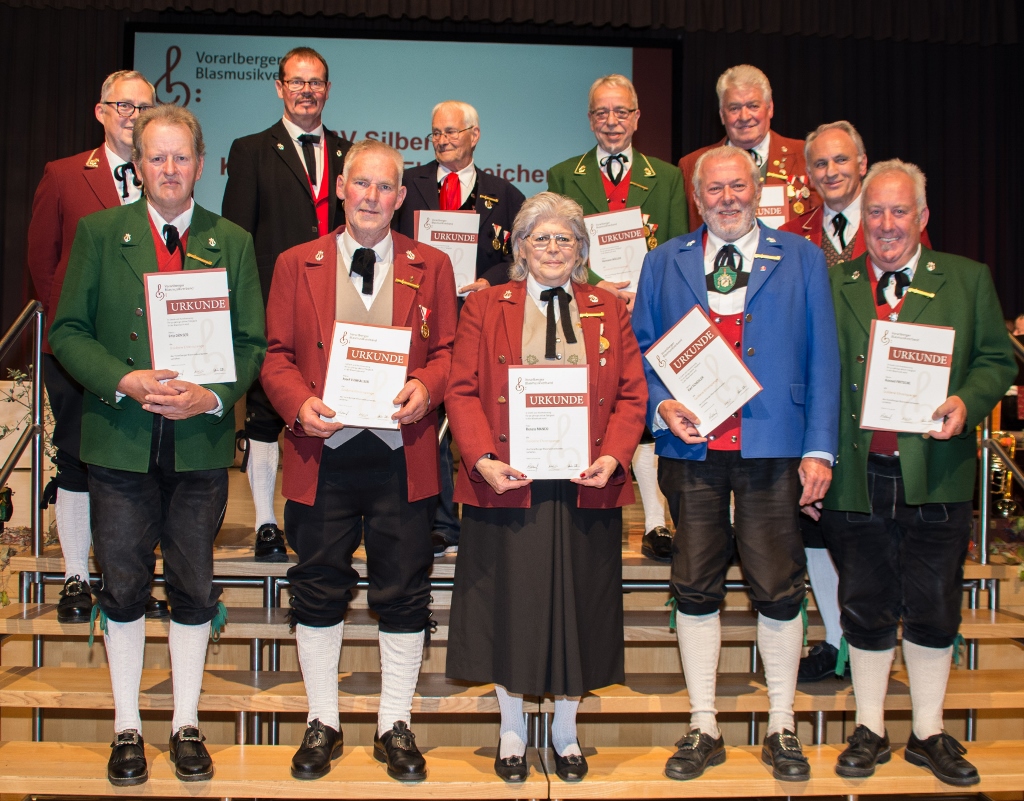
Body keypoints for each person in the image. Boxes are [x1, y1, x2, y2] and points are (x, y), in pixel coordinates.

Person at [49, 104, 266, 787]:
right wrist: (123, 379)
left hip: (199, 445)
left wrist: (213, 396)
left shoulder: (231, 240)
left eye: (181, 157)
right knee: (123, 586)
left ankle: (185, 724)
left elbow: (252, 343)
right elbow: (68, 331)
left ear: (201, 164)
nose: (170, 169)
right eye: (156, 157)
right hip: (119, 442)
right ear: (138, 165)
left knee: (194, 586)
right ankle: (127, 726)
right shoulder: (98, 233)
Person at [632, 145, 840, 783]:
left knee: (778, 587)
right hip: (691, 449)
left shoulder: (802, 257)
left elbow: (824, 357)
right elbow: (642, 347)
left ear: (757, 189)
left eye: (738, 187)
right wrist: (662, 404)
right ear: (697, 198)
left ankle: (781, 724)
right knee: (695, 585)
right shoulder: (663, 260)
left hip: (773, 446)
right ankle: (704, 724)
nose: (727, 199)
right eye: (714, 190)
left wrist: (819, 449)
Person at [261, 139, 457, 782]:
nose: (372, 196)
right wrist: (298, 403)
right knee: (318, 585)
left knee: (404, 590)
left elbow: (449, 351)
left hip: (403, 454)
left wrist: (428, 385)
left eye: (385, 186)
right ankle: (323, 719)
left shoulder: (432, 264)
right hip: (323, 451)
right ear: (341, 189)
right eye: (361, 184)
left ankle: (394, 721)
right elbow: (276, 355)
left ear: (401, 197)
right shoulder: (296, 262)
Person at [820, 160, 1016, 786]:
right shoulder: (834, 281)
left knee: (934, 606)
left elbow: (996, 359)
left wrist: (967, 401)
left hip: (937, 472)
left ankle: (928, 733)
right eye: (875, 211)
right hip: (856, 475)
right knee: (864, 604)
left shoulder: (967, 278)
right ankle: (870, 728)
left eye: (899, 211)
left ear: (922, 217)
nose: (886, 224)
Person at [445, 192, 647, 783]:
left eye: (565, 239)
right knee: (509, 604)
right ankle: (511, 729)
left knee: (580, 606)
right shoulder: (485, 305)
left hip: (585, 483)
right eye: (542, 238)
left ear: (581, 251)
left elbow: (632, 392)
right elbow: (462, 388)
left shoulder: (608, 308)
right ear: (521, 247)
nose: (553, 249)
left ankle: (565, 730)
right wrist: (482, 458)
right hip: (509, 481)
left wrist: (613, 456)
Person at [26, 70, 168, 623]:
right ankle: (75, 577)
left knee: (140, 467)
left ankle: (130, 578)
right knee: (77, 461)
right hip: (79, 357)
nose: (133, 115)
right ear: (101, 111)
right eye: (123, 105)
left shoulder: (165, 175)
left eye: (144, 106)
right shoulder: (63, 175)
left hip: (148, 356)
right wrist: (74, 338)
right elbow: (43, 263)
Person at [548, 73, 687, 563]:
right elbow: (554, 245)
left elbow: (678, 248)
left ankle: (655, 522)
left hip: (648, 311)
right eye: (602, 112)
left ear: (637, 117)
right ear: (590, 119)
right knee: (595, 408)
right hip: (586, 307)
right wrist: (595, 284)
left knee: (645, 405)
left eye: (621, 111)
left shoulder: (668, 177)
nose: (612, 121)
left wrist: (643, 294)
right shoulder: (562, 175)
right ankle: (585, 520)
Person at [222, 46, 351, 562]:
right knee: (263, 413)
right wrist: (244, 309)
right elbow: (237, 238)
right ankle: (266, 523)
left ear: (328, 90)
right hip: (273, 301)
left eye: (315, 82)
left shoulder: (349, 154)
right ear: (279, 87)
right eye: (296, 82)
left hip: (339, 308)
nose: (306, 91)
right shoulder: (251, 150)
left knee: (330, 409)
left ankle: (326, 518)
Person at [394, 100, 526, 558]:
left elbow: (521, 256)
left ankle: (486, 517)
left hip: (480, 320)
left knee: (475, 417)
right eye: (436, 133)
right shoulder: (407, 185)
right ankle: (439, 522)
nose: (443, 140)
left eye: (452, 132)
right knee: (426, 416)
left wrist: (490, 280)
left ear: (475, 134)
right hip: (420, 318)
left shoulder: (505, 194)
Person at [679, 65, 816, 229]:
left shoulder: (805, 155)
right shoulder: (691, 165)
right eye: (734, 108)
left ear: (770, 108)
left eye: (753, 106)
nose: (744, 117)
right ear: (722, 115)